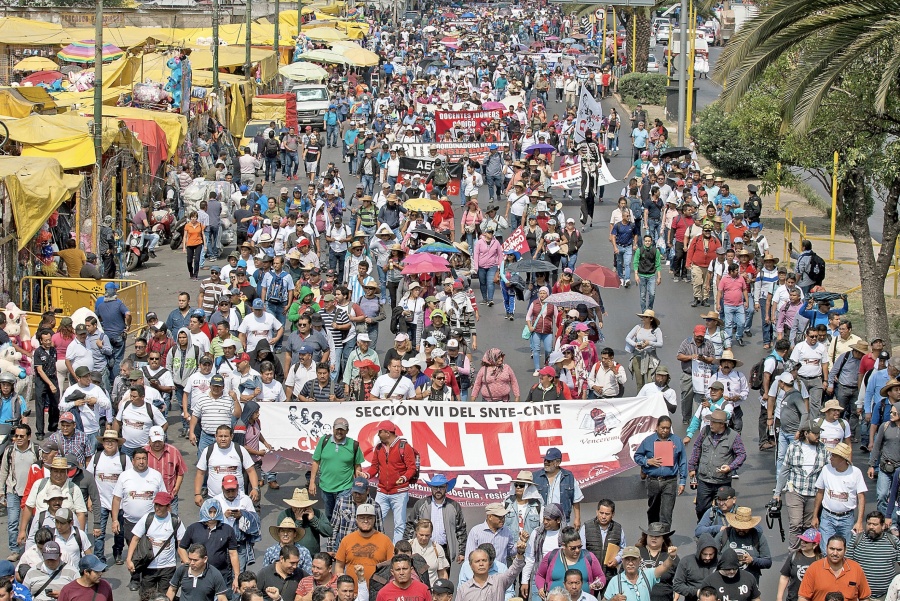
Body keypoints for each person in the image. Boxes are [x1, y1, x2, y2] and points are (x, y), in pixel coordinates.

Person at [774, 420, 828, 550]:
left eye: (819, 433)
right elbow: (785, 470)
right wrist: (777, 492)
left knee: (808, 525)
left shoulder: (823, 449)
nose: (818, 436)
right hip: (795, 491)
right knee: (796, 523)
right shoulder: (793, 447)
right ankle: (793, 553)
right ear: (806, 433)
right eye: (815, 433)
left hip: (813, 493)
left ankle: (806, 553)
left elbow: (826, 472)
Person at [361, 420, 417, 542]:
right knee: (374, 520)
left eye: (380, 432)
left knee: (399, 525)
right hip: (382, 491)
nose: (378, 435)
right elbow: (374, 467)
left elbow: (412, 467)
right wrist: (366, 475)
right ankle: (376, 546)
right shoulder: (379, 447)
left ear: (387, 432)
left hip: (399, 492)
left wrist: (404, 477)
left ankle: (394, 552)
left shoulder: (404, 447)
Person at [687, 409, 747, 520]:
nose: (711, 424)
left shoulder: (733, 436)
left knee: (724, 509)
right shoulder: (705, 431)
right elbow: (696, 448)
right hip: (704, 480)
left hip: (722, 481)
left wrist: (730, 467)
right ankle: (703, 530)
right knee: (701, 508)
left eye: (714, 422)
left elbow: (741, 455)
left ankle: (721, 532)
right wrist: (691, 467)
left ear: (722, 424)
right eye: (711, 421)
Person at [812, 442, 867, 552]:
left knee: (846, 550)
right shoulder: (826, 469)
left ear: (842, 459)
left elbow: (861, 497)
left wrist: (859, 521)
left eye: (833, 456)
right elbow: (820, 492)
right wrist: (815, 516)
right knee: (825, 549)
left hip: (847, 518)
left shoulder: (855, 472)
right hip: (827, 516)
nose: (830, 458)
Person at [633, 417, 687, 528]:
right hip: (653, 481)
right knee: (653, 510)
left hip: (670, 481)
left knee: (666, 513)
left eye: (668, 428)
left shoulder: (676, 441)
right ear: (657, 427)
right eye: (662, 428)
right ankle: (652, 535)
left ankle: (665, 537)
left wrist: (682, 481)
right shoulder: (648, 441)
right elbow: (637, 456)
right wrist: (647, 461)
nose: (665, 430)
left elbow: (683, 461)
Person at [403, 474, 468, 565]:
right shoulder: (421, 504)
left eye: (441, 487)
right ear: (431, 488)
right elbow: (410, 525)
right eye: (435, 487)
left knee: (443, 578)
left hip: (445, 549)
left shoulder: (454, 506)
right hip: (423, 548)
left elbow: (461, 530)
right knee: (422, 577)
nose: (438, 490)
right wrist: (406, 548)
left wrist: (462, 552)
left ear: (446, 487)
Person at [179, 499, 240, 594]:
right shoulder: (193, 528)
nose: (212, 515)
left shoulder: (228, 530)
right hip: (197, 574)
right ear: (204, 511)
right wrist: (188, 563)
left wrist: (236, 576)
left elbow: (233, 554)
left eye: (215, 512)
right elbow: (182, 547)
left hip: (221, 574)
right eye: (210, 512)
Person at [0, 423, 39, 557]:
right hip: (13, 492)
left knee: (32, 523)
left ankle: (30, 549)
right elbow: (3, 471)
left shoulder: (36, 451)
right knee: (12, 522)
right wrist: (1, 491)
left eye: (22, 436)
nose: (18, 438)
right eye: (16, 436)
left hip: (31, 494)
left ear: (29, 436)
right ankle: (14, 550)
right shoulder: (10, 451)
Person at [334, 504, 393, 589]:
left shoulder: (386, 541)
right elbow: (339, 566)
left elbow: (391, 567)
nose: (366, 521)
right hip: (351, 593)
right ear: (356, 520)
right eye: (362, 518)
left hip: (377, 592)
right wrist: (341, 585)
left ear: (374, 520)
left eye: (369, 518)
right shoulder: (346, 540)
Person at [535, 526, 605, 597]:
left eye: (579, 547)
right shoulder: (551, 556)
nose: (577, 550)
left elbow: (600, 576)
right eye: (573, 548)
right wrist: (541, 588)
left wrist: (598, 583)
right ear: (563, 546)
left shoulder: (589, 557)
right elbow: (540, 575)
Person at [798, 535, 871, 601]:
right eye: (832, 549)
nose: (835, 553)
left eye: (839, 550)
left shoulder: (855, 568)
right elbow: (803, 597)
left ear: (845, 550)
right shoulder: (814, 568)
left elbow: (865, 597)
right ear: (826, 548)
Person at [847, 511, 900, 599]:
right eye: (869, 524)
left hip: (886, 595)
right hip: (860, 595)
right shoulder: (856, 540)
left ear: (883, 526)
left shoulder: (893, 541)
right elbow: (846, 565)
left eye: (875, 524)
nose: (871, 527)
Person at [456, 537, 527, 601]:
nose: (481, 564)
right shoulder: (464, 589)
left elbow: (514, 570)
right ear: (471, 565)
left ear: (489, 563)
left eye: (484, 560)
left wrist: (520, 553)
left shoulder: (499, 581)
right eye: (477, 561)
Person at [713, 507, 772, 583]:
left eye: (744, 528)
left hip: (749, 582)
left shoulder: (758, 537)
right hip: (725, 581)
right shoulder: (724, 535)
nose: (741, 530)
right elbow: (712, 556)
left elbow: (767, 562)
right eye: (738, 527)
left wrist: (753, 560)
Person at [602, 545, 678, 601]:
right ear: (622, 561)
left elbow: (664, 566)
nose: (630, 563)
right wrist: (613, 600)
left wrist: (671, 557)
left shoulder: (648, 575)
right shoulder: (615, 581)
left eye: (634, 559)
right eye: (627, 559)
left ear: (639, 560)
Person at [533, 447, 583, 527]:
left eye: (549, 461)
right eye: (545, 460)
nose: (545, 462)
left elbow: (576, 499)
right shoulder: (536, 477)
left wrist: (577, 519)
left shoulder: (568, 476)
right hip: (541, 521)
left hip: (562, 521)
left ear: (558, 462)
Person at [776, 529, 823, 601]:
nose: (803, 543)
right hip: (793, 598)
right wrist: (779, 598)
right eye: (802, 540)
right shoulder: (794, 556)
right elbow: (784, 577)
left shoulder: (821, 560)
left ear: (815, 544)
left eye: (806, 542)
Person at [673, 535, 719, 601]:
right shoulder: (686, 562)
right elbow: (677, 585)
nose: (708, 557)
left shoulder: (720, 562)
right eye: (705, 554)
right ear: (699, 552)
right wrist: (696, 592)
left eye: (711, 554)